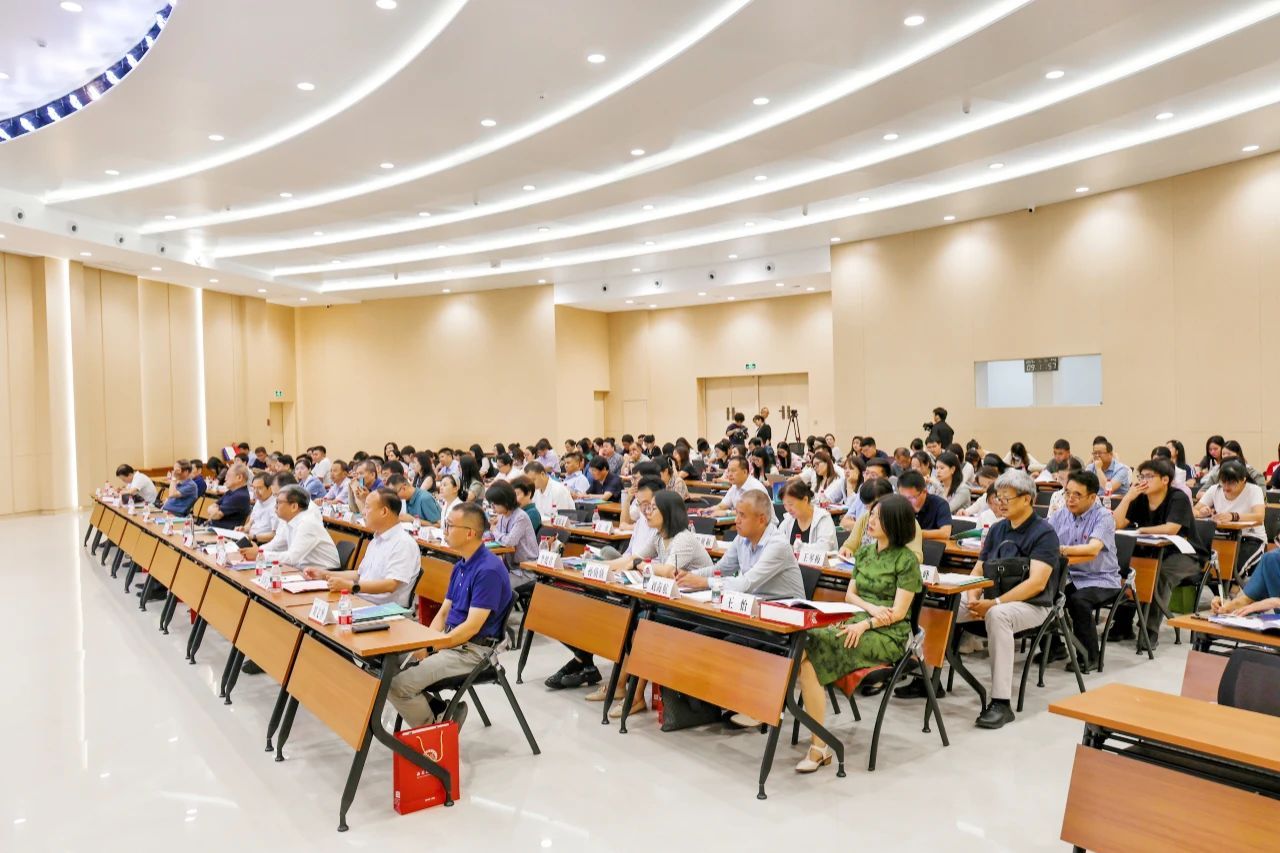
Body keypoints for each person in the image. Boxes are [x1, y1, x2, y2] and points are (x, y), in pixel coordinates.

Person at [793, 495, 923, 772]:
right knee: (805, 643)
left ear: (895, 523)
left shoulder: (907, 560)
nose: (870, 520)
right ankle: (816, 742)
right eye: (871, 514)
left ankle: (814, 744)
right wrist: (871, 608)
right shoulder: (863, 553)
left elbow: (898, 613)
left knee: (809, 648)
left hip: (889, 634)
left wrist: (866, 623)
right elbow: (850, 596)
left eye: (878, 517)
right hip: (859, 617)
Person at [388, 502, 514, 728]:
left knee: (397, 686)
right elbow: (444, 612)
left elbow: (472, 627)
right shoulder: (461, 566)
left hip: (472, 651)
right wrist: (426, 642)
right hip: (452, 642)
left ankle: (436, 730)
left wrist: (431, 648)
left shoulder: (488, 570)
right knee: (387, 665)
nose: (444, 530)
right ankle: (442, 712)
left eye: (449, 525)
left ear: (469, 533)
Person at [958, 469, 1061, 729]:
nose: (1000, 503)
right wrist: (973, 597)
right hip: (993, 600)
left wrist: (993, 604)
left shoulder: (1044, 533)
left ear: (1027, 499)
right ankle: (926, 676)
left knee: (998, 615)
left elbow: (1036, 583)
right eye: (998, 498)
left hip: (1033, 605)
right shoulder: (996, 529)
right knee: (945, 604)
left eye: (1006, 498)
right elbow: (978, 570)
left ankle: (1001, 703)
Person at [598, 490, 712, 717]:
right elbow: (632, 559)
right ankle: (620, 686)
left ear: (668, 512)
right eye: (647, 508)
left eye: (653, 508)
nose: (647, 513)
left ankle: (637, 696)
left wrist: (640, 565)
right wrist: (600, 567)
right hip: (675, 601)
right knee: (632, 617)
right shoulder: (659, 536)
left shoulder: (684, 538)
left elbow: (668, 571)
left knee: (644, 623)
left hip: (699, 608)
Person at [1109, 458, 1210, 649]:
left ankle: (1149, 630)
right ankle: (1123, 624)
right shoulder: (1140, 497)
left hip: (1187, 555)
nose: (1143, 481)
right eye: (1141, 476)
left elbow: (1171, 528)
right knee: (1127, 568)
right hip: (1152, 552)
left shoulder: (1177, 498)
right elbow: (1117, 524)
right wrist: (1127, 497)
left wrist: (1141, 530)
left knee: (1159, 574)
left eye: (1149, 476)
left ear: (1165, 480)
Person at [1047, 471, 1120, 672]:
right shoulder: (1060, 515)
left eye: (1077, 495)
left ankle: (1089, 656)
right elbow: (1043, 538)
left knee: (1078, 601)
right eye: (1067, 493)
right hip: (1071, 576)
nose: (1070, 499)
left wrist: (1061, 549)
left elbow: (1092, 549)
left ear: (1092, 497)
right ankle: (1054, 648)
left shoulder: (1103, 517)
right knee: (1043, 592)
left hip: (1101, 579)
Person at [672, 490, 805, 599]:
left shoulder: (778, 545)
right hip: (757, 604)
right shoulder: (742, 538)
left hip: (789, 612)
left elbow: (746, 583)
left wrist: (704, 582)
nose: (736, 520)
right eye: (736, 514)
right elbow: (720, 569)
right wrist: (688, 575)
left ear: (761, 519)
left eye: (742, 515)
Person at [304, 488, 419, 607]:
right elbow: (360, 575)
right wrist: (324, 574)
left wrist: (351, 586)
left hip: (384, 609)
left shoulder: (404, 543)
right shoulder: (376, 539)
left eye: (367, 507)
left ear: (384, 511)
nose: (363, 512)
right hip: (362, 600)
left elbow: (391, 585)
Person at [240, 484, 341, 570]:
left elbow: (292, 558)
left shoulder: (307, 523)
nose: (275, 506)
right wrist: (255, 550)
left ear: (294, 507)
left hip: (326, 573)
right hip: (303, 570)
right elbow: (276, 545)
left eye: (279, 502)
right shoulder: (288, 521)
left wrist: (260, 554)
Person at [1195, 460, 1265, 540]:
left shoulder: (1254, 490)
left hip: (1251, 537)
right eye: (1223, 482)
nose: (1226, 487)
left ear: (1243, 480)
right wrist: (1200, 513)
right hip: (1222, 536)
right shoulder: (1215, 489)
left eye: (1231, 483)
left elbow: (1259, 517)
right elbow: (1193, 511)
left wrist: (1233, 516)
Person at [486, 480, 539, 570]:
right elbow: (496, 536)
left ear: (505, 502)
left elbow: (509, 542)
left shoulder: (520, 517)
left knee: (492, 578)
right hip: (510, 566)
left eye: (494, 504)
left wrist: (494, 530)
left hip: (526, 567)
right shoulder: (502, 515)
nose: (492, 507)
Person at [1211, 549, 1280, 616]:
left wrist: (1275, 602)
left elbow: (1270, 603)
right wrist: (1228, 606)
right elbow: (1248, 600)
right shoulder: (1272, 559)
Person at [777, 479, 838, 553]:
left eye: (791, 504)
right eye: (785, 505)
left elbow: (825, 547)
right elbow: (777, 542)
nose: (788, 509)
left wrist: (796, 548)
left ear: (805, 500)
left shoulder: (823, 518)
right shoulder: (788, 520)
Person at [896, 470, 952, 540]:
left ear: (924, 491)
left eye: (911, 498)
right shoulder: (900, 504)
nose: (906, 501)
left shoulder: (940, 504)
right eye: (903, 497)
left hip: (933, 545)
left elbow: (945, 533)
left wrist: (916, 534)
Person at [1198, 441, 1266, 488]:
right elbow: (1200, 492)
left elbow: (1262, 495)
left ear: (1238, 455)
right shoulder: (1217, 471)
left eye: (1229, 454)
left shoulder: (1250, 471)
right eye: (1223, 454)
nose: (1225, 457)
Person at [207, 462, 251, 529]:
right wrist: (212, 510)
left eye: (228, 476)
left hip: (226, 533)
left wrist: (212, 511)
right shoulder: (231, 491)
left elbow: (216, 515)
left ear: (239, 477)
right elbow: (214, 505)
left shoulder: (240, 496)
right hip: (216, 529)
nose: (225, 479)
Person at [241, 470, 278, 543]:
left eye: (259, 488)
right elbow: (250, 523)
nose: (256, 492)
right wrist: (243, 529)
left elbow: (275, 535)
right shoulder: (259, 501)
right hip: (251, 538)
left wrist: (254, 537)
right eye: (254, 488)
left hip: (262, 542)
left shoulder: (276, 506)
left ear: (270, 488)